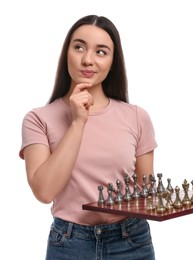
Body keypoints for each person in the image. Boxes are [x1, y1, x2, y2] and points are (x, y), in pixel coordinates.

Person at [19, 14, 157, 260]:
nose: (88, 59)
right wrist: (77, 123)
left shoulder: (137, 117)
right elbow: (44, 191)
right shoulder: (38, 119)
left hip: (131, 240)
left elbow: (145, 194)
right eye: (79, 47)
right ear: (66, 53)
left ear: (113, 62)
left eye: (101, 52)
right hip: (70, 243)